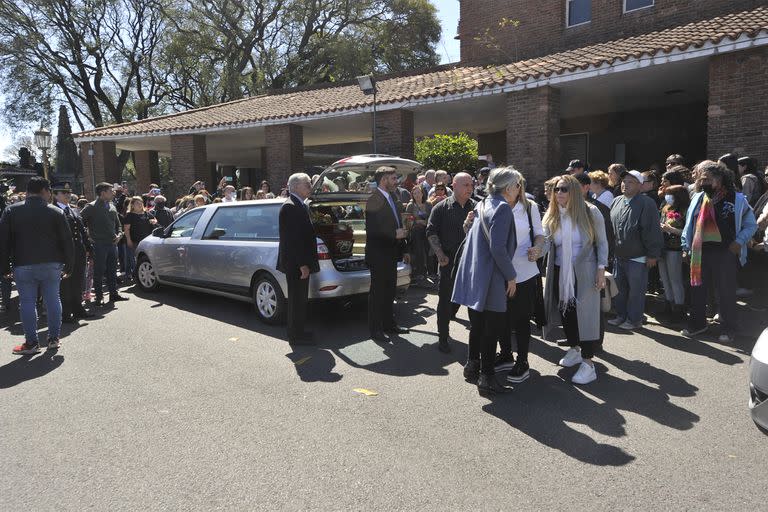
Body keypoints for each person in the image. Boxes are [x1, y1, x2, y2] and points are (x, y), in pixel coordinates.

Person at [452, 167, 518, 395]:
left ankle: (472, 366)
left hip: (475, 274)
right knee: (492, 328)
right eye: (517, 185)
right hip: (492, 277)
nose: (519, 189)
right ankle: (487, 376)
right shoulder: (502, 208)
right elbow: (498, 249)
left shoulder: (482, 204)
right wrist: (511, 275)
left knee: (477, 325)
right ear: (508, 187)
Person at [542, 174, 608, 385]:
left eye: (564, 189)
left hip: (585, 271)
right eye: (556, 189)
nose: (559, 193)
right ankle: (575, 349)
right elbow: (544, 242)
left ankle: (589, 364)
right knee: (566, 312)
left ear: (575, 192)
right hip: (560, 271)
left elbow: (602, 243)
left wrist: (601, 270)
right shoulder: (553, 214)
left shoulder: (591, 211)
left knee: (586, 317)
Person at [681, 161, 757, 343]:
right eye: (701, 178)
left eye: (707, 178)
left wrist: (739, 242)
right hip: (700, 252)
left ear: (720, 179)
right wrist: (686, 246)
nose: (703, 181)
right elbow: (689, 225)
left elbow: (751, 225)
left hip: (725, 253)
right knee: (697, 289)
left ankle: (728, 328)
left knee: (726, 292)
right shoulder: (698, 198)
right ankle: (698, 324)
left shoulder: (737, 199)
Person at [0, 177, 74, 353]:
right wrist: (69, 264)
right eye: (49, 191)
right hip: (52, 263)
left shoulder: (11, 211)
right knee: (53, 299)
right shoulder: (55, 212)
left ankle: (31, 342)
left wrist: (3, 267)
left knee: (27, 302)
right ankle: (54, 338)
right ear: (45, 191)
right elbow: (67, 240)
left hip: (23, 263)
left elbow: (3, 242)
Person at [492, 171, 544, 384]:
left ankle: (522, 362)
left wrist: (538, 248)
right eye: (514, 184)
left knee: (521, 320)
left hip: (524, 273)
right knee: (501, 317)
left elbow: (540, 234)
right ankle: (505, 355)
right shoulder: (491, 206)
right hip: (498, 273)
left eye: (519, 184)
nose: (517, 188)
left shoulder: (530, 207)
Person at [426, 172, 475, 353]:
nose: (470, 188)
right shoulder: (440, 208)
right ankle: (443, 337)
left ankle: (477, 342)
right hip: (448, 262)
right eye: (465, 185)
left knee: (472, 303)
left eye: (471, 185)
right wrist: (439, 253)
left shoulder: (477, 208)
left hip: (471, 264)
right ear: (453, 186)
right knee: (445, 301)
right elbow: (431, 232)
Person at [608, 170, 663, 330]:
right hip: (619, 255)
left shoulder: (647, 203)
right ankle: (621, 316)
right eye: (624, 181)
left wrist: (653, 254)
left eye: (631, 182)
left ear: (640, 185)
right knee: (619, 289)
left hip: (638, 257)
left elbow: (652, 230)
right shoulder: (617, 200)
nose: (625, 184)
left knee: (636, 292)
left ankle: (634, 319)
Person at [365, 166, 410, 343]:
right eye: (393, 178)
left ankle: (389, 325)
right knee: (377, 293)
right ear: (383, 180)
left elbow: (398, 223)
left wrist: (404, 247)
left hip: (392, 253)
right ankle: (375, 330)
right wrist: (394, 234)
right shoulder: (373, 200)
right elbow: (373, 230)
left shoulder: (392, 196)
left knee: (390, 291)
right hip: (378, 255)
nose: (396, 181)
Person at [277, 173, 319, 345]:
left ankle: (299, 332)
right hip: (296, 264)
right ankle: (295, 336)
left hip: (299, 262)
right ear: (296, 187)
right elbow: (293, 240)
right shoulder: (290, 206)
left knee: (301, 299)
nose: (310, 187)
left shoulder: (299, 204)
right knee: (296, 300)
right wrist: (302, 264)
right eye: (307, 184)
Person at [81, 182, 129, 306]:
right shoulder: (90, 207)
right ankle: (99, 296)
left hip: (113, 244)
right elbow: (79, 223)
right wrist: (88, 237)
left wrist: (119, 234)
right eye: (110, 191)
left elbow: (118, 224)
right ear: (102, 193)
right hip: (98, 245)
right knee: (99, 271)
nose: (113, 193)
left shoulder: (112, 205)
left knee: (112, 271)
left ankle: (113, 294)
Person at [52, 182, 93, 323]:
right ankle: (66, 312)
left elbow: (82, 231)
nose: (68, 195)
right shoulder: (53, 210)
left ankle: (78, 309)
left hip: (79, 251)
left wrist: (89, 248)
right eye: (64, 193)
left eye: (69, 193)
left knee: (78, 281)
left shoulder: (74, 210)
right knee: (65, 284)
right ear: (55, 195)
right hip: (63, 253)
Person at [658, 185, 690, 324]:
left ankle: (679, 308)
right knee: (664, 278)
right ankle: (668, 305)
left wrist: (670, 229)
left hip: (675, 248)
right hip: (662, 247)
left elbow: (688, 232)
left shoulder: (685, 210)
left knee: (675, 279)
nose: (667, 197)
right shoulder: (665, 208)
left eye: (670, 194)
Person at [404, 184, 432, 284]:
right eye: (414, 193)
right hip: (415, 231)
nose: (417, 195)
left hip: (427, 229)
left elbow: (432, 218)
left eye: (418, 193)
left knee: (428, 246)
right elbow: (407, 220)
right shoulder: (411, 205)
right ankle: (420, 271)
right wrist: (416, 222)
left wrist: (426, 222)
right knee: (418, 246)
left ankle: (430, 271)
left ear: (422, 193)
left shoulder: (428, 204)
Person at [124, 196, 157, 274]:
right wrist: (129, 240)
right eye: (137, 203)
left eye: (141, 203)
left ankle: (140, 274)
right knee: (133, 259)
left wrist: (154, 221)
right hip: (134, 241)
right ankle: (131, 274)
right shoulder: (129, 215)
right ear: (132, 205)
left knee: (144, 259)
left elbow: (155, 220)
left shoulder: (147, 213)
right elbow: (126, 229)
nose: (140, 205)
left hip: (146, 241)